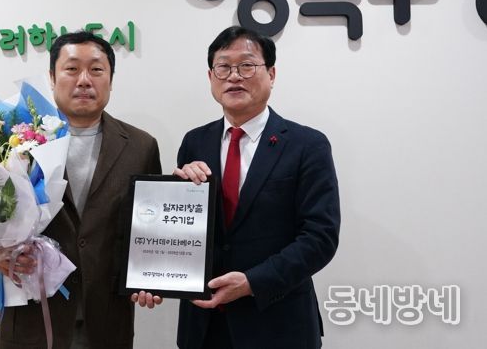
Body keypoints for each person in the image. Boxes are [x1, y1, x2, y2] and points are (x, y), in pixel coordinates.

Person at [137, 26, 340, 348]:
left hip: (277, 324)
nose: (234, 76)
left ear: (271, 74)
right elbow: (183, 232)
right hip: (203, 326)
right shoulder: (195, 142)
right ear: (210, 77)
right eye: (223, 67)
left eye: (247, 65)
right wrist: (154, 275)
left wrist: (251, 282)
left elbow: (320, 237)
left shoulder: (307, 145)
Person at [0, 31, 162, 349]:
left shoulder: (140, 146)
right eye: (72, 69)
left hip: (106, 322)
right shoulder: (8, 138)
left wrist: (154, 277)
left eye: (96, 70)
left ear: (111, 80)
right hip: (32, 321)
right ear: (52, 77)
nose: (84, 80)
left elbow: (151, 228)